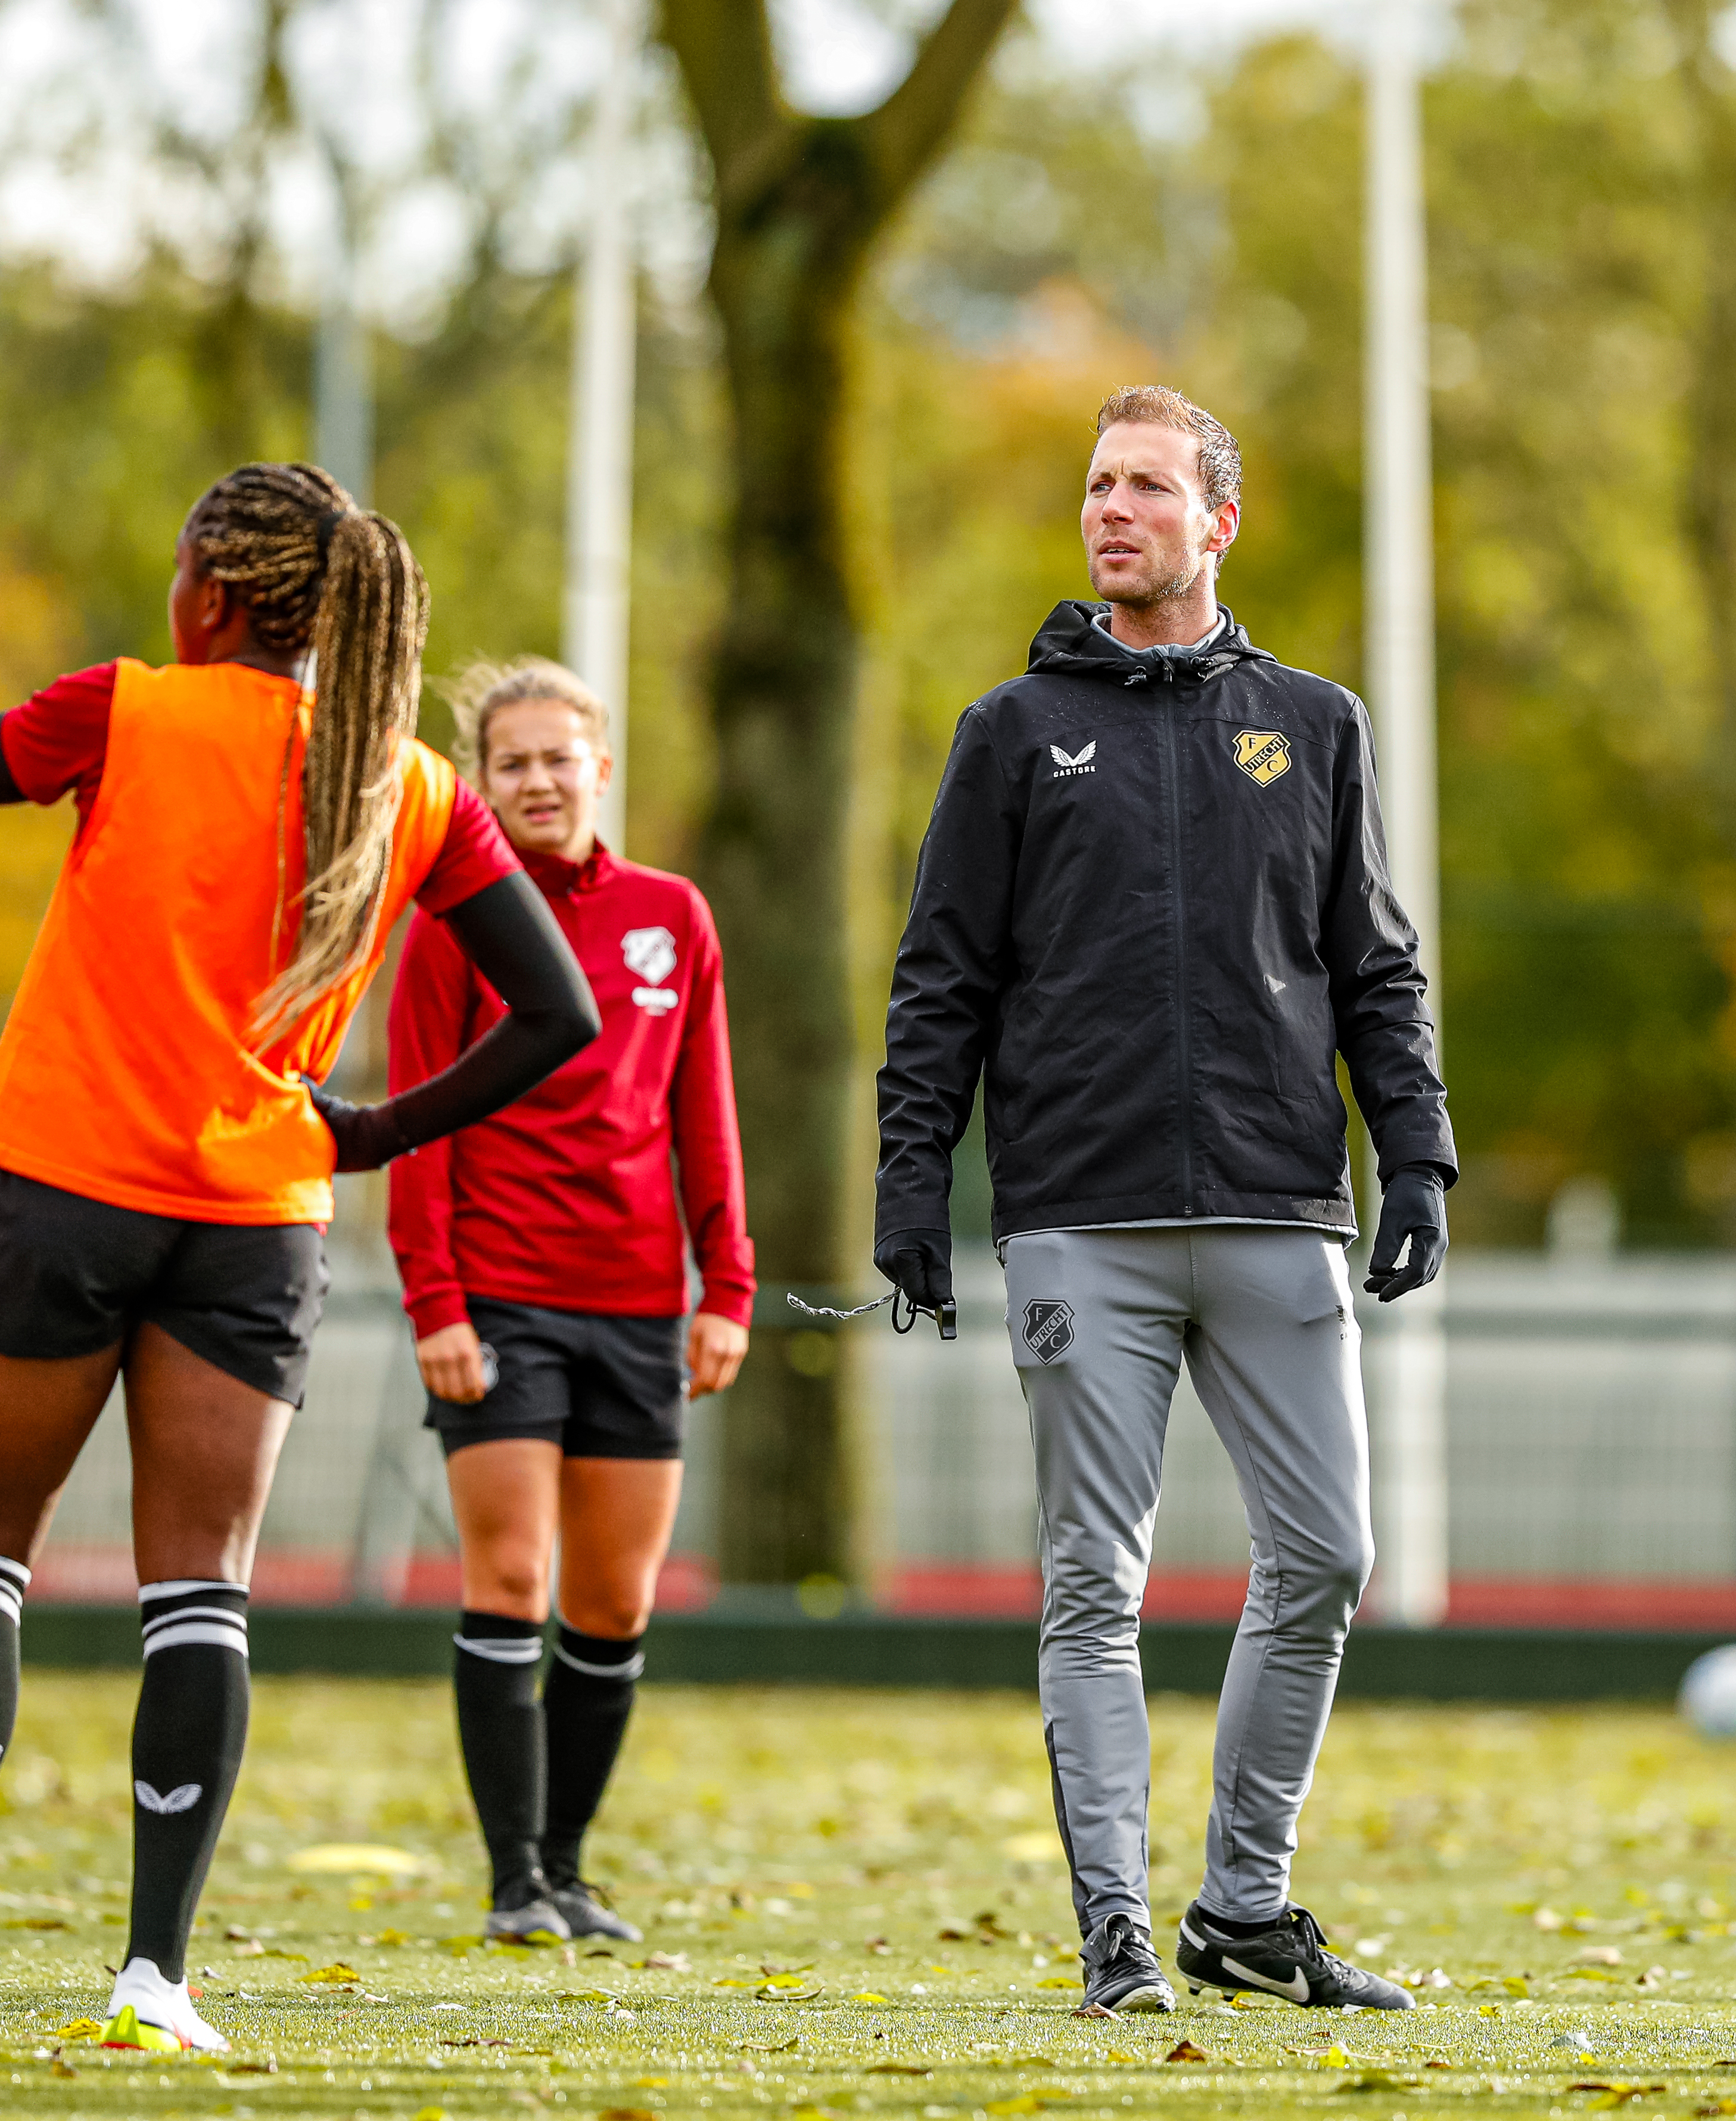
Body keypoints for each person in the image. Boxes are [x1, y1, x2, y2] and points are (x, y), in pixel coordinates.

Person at [0, 463, 598, 2054]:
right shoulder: (408, 787)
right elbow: (561, 1014)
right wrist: (370, 1133)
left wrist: (55, 736)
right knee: (200, 1592)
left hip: (59, 1184)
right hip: (254, 1221)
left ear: (212, 589)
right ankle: (153, 1979)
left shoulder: (126, 708)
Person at [874, 387, 1455, 2017]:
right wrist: (911, 1179)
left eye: (1143, 486)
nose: (1109, 510)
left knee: (1329, 1555)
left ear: (1219, 518)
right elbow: (941, 981)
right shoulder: (1009, 731)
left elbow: (1375, 972)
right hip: (1079, 1216)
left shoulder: (1316, 725)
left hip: (1281, 1209)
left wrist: (1414, 1154)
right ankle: (1117, 1926)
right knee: (1091, 1580)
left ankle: (1245, 1908)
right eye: (1094, 485)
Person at [387, 658, 753, 1945]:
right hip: (498, 1297)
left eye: (559, 757)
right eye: (511, 763)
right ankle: (509, 1886)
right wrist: (433, 1300)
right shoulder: (450, 925)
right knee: (514, 1571)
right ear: (479, 784)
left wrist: (730, 1285)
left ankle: (564, 1867)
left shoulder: (675, 916)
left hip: (644, 1305)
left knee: (613, 1604)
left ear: (601, 766)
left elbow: (701, 1114)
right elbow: (415, 1128)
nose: (538, 780)